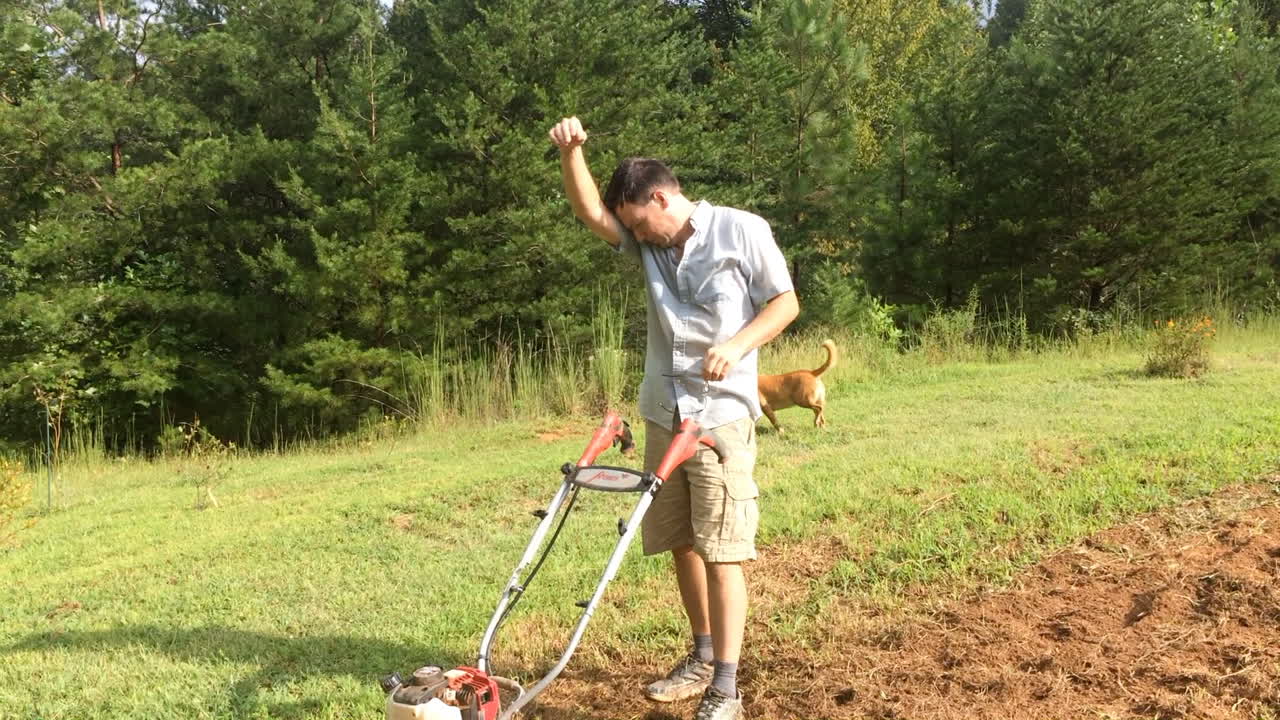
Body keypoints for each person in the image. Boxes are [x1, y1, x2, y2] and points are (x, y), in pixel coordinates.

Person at [548, 116, 798, 720]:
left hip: (720, 419)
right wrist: (572, 152)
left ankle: (726, 689)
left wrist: (737, 347)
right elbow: (591, 214)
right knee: (681, 541)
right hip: (664, 411)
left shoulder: (743, 230)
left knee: (723, 548)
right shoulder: (649, 241)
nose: (638, 236)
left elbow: (785, 302)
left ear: (661, 197)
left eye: (639, 221)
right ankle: (702, 656)